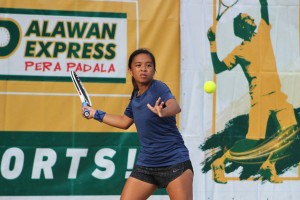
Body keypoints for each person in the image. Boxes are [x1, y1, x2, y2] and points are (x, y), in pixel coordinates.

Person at [82, 48, 193, 199]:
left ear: (154, 70)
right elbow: (124, 121)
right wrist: (95, 113)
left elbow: (175, 106)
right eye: (138, 65)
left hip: (174, 163)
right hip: (147, 165)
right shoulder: (136, 96)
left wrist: (163, 112)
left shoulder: (158, 87)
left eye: (148, 65)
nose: (143, 69)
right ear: (131, 70)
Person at [207, 0, 297, 183]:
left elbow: (264, 9)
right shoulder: (239, 51)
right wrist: (212, 43)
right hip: (260, 98)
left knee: (292, 131)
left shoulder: (263, 33)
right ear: (242, 26)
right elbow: (218, 68)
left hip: (278, 95)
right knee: (253, 140)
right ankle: (219, 162)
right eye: (247, 17)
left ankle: (268, 166)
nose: (251, 18)